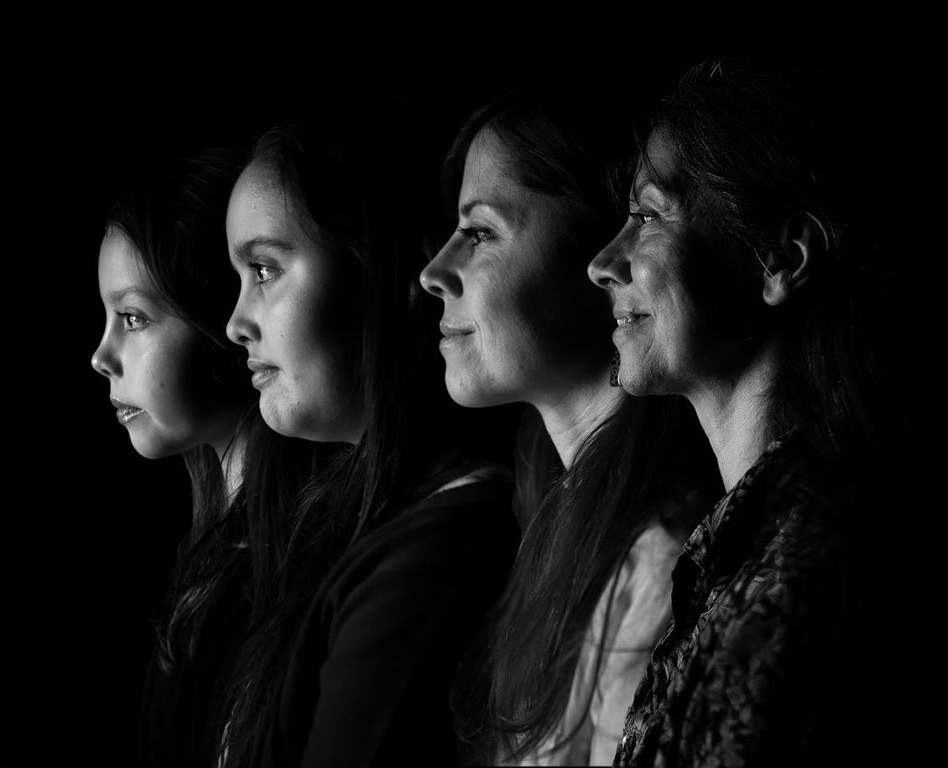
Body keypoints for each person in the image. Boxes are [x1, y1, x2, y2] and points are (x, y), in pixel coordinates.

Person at [587, 58, 916, 766]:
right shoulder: (745, 552)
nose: (602, 262)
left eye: (646, 216)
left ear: (780, 259)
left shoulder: (809, 567)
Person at [419, 77, 717, 765]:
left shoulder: (663, 563)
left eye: (479, 232)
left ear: (601, 250)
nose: (435, 272)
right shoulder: (556, 523)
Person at [216, 109, 519, 768]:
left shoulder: (445, 539)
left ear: (388, 271)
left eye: (264, 270)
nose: (237, 321)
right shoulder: (327, 521)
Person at [88, 148, 258, 766]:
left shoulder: (279, 570)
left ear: (223, 321)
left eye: (133, 318)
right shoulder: (210, 549)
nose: (101, 356)